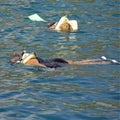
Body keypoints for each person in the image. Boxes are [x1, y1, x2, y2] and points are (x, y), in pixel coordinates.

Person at [9, 51, 119, 69]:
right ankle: (99, 59)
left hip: (52, 63)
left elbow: (38, 64)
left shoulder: (27, 61)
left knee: (77, 65)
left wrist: (48, 70)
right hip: (54, 59)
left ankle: (108, 62)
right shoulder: (29, 56)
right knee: (76, 62)